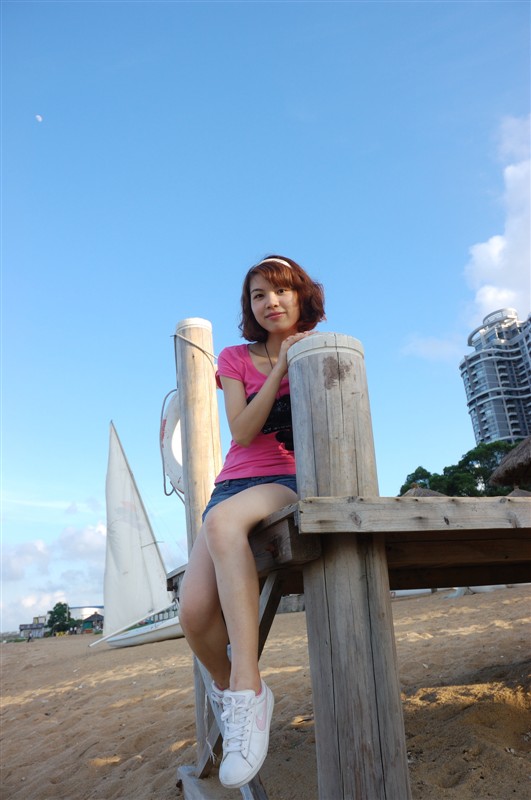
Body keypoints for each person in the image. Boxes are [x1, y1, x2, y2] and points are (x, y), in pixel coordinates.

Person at [178, 255, 325, 789]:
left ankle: (247, 685)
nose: (271, 302)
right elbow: (241, 432)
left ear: (301, 295)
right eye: (259, 295)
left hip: (287, 478)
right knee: (193, 615)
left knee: (221, 526)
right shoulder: (235, 357)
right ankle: (237, 697)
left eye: (281, 291)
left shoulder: (318, 347)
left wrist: (295, 359)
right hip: (232, 485)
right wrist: (279, 368)